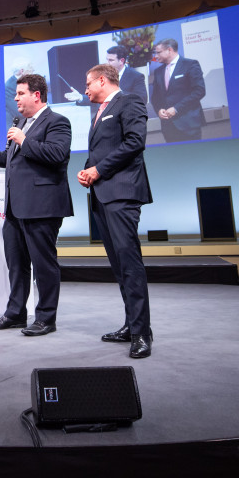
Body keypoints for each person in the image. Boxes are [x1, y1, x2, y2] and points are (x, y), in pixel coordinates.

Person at [0, 73, 73, 336]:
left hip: (43, 206)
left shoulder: (57, 122)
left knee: (43, 264)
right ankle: (15, 313)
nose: (16, 99)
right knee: (16, 264)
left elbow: (57, 155)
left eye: (20, 93)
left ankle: (46, 318)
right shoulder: (21, 123)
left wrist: (23, 140)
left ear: (37, 95)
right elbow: (14, 161)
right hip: (14, 206)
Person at [77, 63, 154, 358]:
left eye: (87, 84)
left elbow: (135, 142)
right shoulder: (98, 112)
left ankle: (142, 333)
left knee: (130, 263)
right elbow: (101, 150)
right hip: (103, 195)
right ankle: (130, 324)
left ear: (101, 80)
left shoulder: (130, 100)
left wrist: (98, 169)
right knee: (119, 266)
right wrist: (88, 170)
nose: (85, 90)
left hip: (122, 193)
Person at [149, 38, 206, 143]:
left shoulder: (190, 65)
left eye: (158, 53)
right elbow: (155, 97)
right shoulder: (158, 72)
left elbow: (199, 91)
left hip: (189, 124)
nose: (155, 56)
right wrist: (159, 110)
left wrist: (176, 109)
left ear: (169, 50)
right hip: (168, 127)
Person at [64, 45, 148, 106]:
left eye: (111, 60)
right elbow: (97, 97)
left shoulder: (135, 76)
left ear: (121, 61)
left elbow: (142, 99)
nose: (107, 63)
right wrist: (80, 97)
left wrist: (118, 92)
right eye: (107, 60)